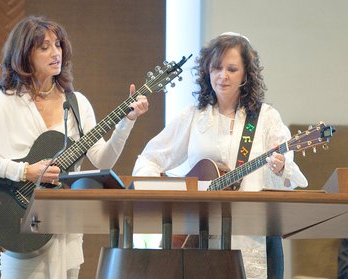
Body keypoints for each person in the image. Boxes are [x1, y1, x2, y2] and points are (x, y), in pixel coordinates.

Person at [0, 16, 148, 279]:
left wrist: (127, 123)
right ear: (25, 54)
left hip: (65, 232)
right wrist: (24, 171)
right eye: (44, 46)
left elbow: (102, 159)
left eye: (58, 45)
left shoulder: (77, 103)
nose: (55, 52)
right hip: (21, 227)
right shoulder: (6, 102)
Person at [132, 32, 308, 279]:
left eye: (232, 69)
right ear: (207, 71)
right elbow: (149, 158)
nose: (222, 76)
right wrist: (168, 200)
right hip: (198, 240)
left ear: (246, 75)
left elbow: (289, 176)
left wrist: (280, 169)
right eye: (216, 68)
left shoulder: (267, 118)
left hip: (256, 236)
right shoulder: (194, 115)